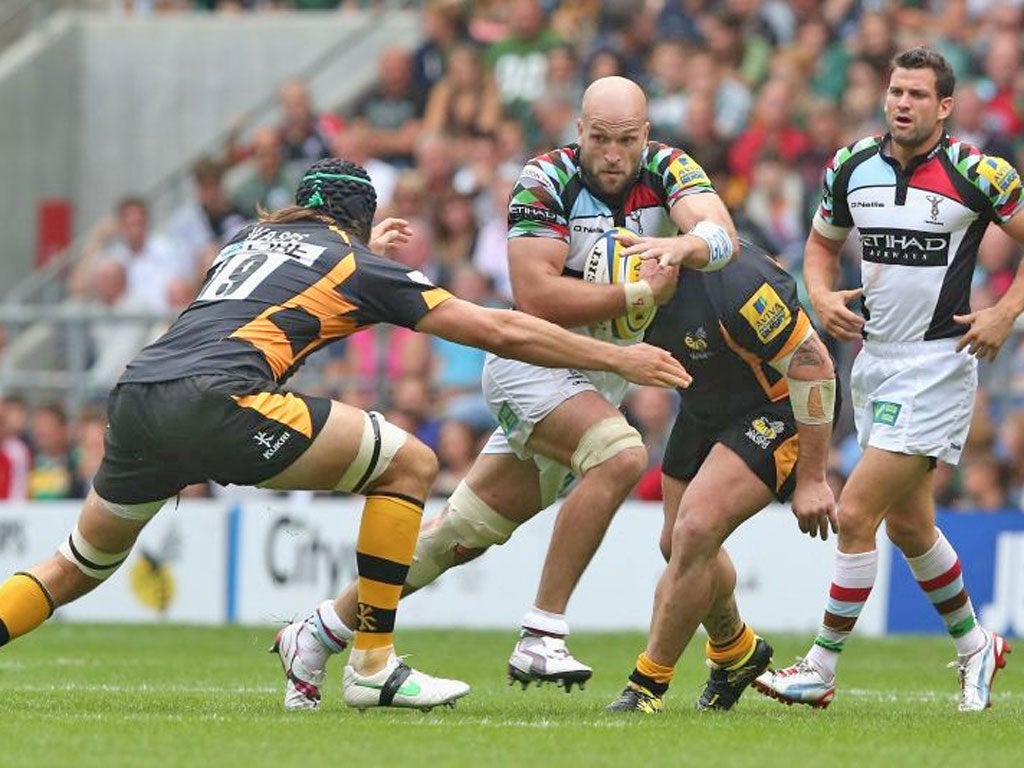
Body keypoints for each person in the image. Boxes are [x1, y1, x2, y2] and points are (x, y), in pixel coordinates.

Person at [0, 159, 690, 715]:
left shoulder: (244, 243)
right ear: (360, 221)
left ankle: (342, 650)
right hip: (220, 399)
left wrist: (365, 254)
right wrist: (620, 358)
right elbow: (500, 328)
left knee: (76, 566)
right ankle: (372, 666)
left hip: (138, 395)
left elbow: (293, 288)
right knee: (410, 463)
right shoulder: (359, 265)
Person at [274, 75, 739, 705]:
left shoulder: (668, 167)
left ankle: (319, 632)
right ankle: (542, 631)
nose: (611, 153)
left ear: (645, 135)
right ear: (580, 131)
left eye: (625, 140)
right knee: (621, 455)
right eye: (599, 138)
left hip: (596, 377)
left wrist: (684, 244)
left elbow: (720, 235)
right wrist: (638, 293)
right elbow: (536, 296)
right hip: (530, 361)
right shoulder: (545, 179)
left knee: (457, 536)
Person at [754, 47, 1024, 713]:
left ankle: (820, 666)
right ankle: (975, 647)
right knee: (909, 527)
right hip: (871, 361)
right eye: (895, 90)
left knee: (855, 513)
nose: (903, 102)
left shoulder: (977, 172)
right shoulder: (851, 166)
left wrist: (1004, 311)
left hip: (938, 365)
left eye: (916, 94)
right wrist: (819, 294)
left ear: (944, 106)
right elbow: (820, 247)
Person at [604, 240, 838, 713]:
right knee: (676, 544)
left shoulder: (738, 283)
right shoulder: (615, 292)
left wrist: (813, 476)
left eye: (649, 256)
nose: (640, 270)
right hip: (704, 408)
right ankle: (737, 650)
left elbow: (815, 366)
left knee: (695, 530)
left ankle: (647, 684)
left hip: (777, 406)